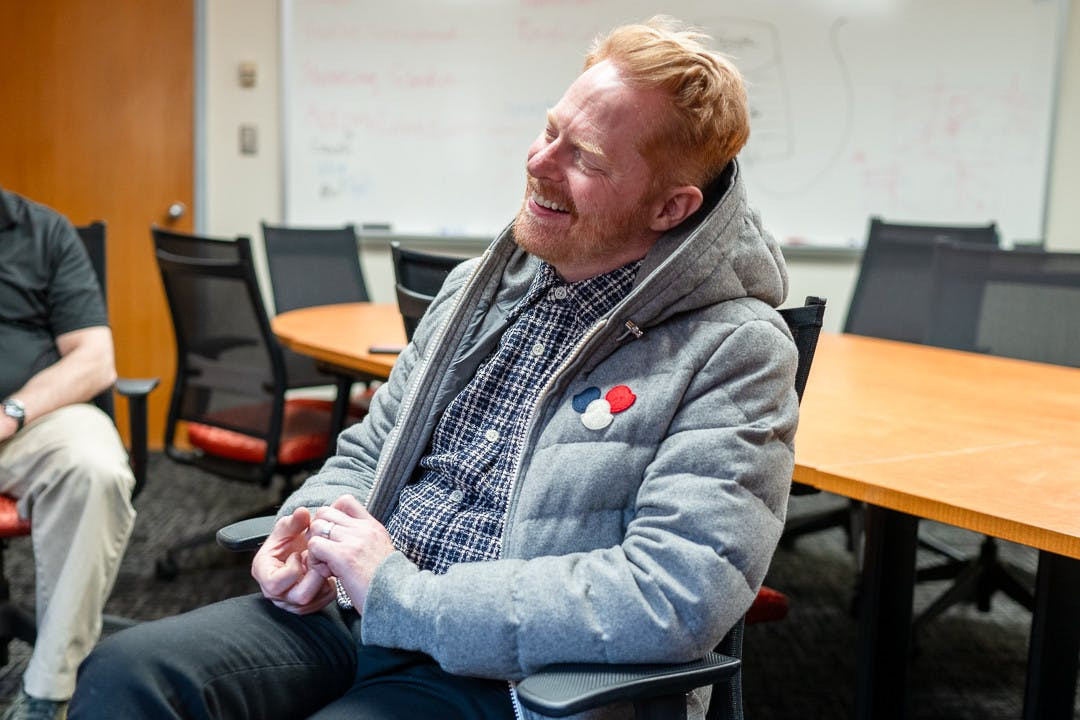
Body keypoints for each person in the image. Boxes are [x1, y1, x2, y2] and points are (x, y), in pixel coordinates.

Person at [71, 16, 798, 720]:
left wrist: (402, 594)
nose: (540, 162)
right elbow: (369, 447)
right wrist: (304, 529)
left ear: (670, 208)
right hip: (358, 611)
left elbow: (671, 595)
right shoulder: (481, 286)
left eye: (586, 158)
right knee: (125, 675)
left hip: (499, 671)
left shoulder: (734, 350)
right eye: (550, 131)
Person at [0, 188, 137, 720]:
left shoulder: (44, 231)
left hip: (30, 419)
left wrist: (12, 412)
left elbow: (95, 359)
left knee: (94, 469)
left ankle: (47, 693)